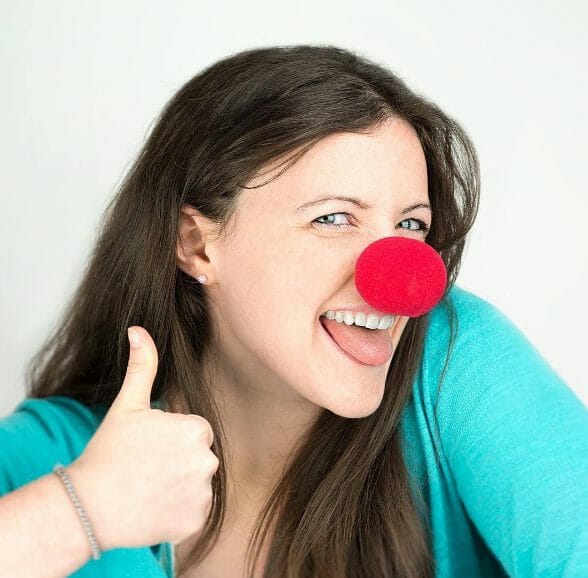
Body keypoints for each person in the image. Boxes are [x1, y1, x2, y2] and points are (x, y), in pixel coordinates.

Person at [1, 44, 587, 578]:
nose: (400, 281)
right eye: (333, 218)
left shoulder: (453, 360)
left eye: (411, 226)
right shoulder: (50, 460)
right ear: (197, 245)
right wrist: (80, 513)